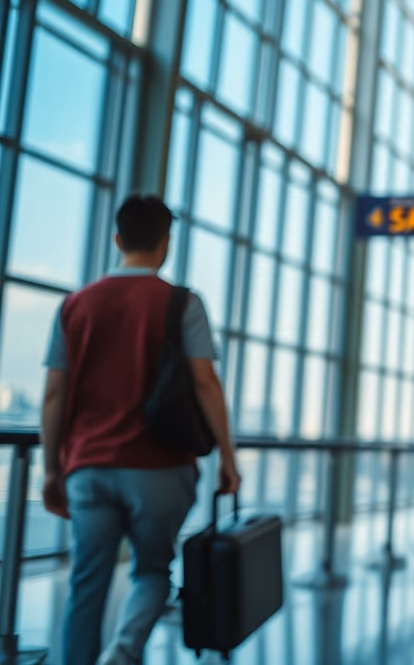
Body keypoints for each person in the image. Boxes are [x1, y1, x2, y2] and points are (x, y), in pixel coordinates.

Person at [39, 195, 241, 665]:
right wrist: (227, 458)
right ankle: (123, 654)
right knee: (152, 572)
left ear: (116, 240)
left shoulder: (75, 306)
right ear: (165, 243)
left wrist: (53, 470)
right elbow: (205, 383)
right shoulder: (182, 303)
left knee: (87, 582)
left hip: (87, 467)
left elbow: (54, 396)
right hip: (160, 468)